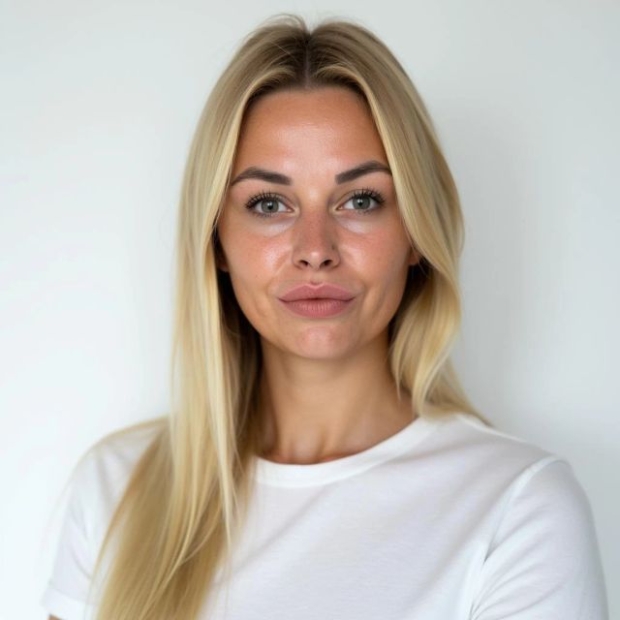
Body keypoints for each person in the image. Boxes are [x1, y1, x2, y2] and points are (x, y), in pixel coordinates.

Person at [40, 13, 608, 620]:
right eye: (269, 204)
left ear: (415, 231)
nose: (315, 248)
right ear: (217, 240)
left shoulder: (517, 510)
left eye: (360, 200)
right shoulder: (117, 490)